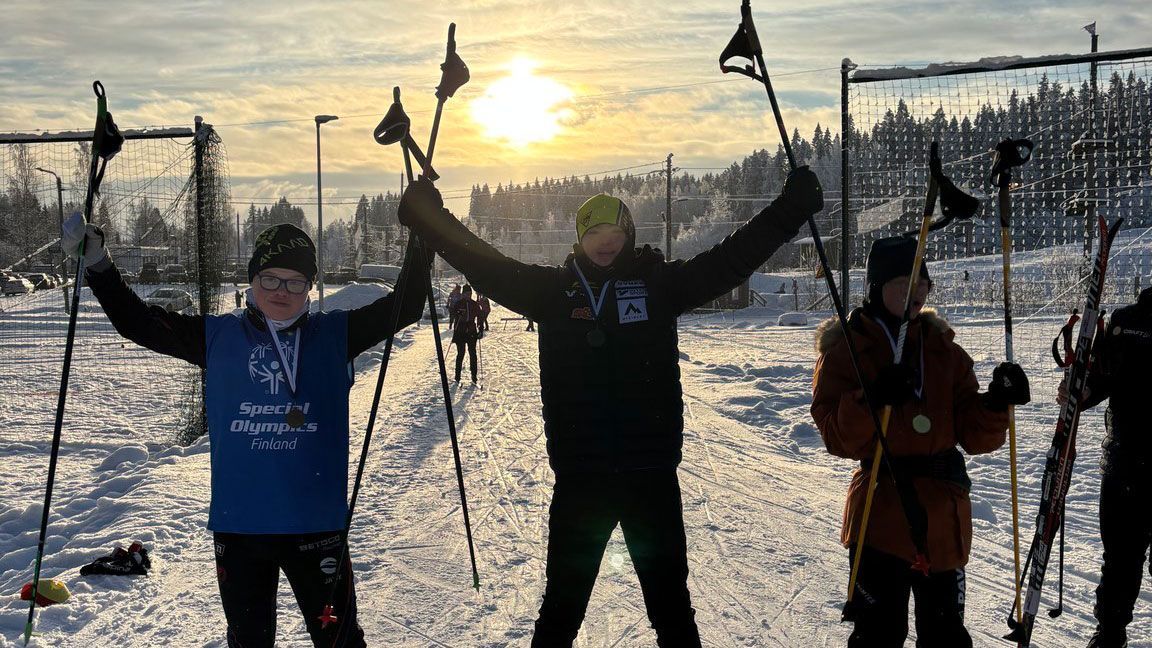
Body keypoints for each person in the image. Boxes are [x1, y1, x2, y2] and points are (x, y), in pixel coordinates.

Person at [398, 166, 825, 647]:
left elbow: (730, 261)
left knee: (671, 612)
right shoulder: (553, 292)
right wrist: (430, 219)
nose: (605, 241)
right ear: (580, 238)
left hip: (651, 479)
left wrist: (789, 211)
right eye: (594, 232)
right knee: (560, 611)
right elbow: (486, 264)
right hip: (582, 481)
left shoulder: (660, 285)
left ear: (629, 233)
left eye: (615, 231)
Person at [61, 218, 429, 648]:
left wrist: (423, 234)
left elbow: (405, 307)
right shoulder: (217, 336)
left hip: (316, 527)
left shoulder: (336, 334)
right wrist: (100, 264)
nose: (281, 291)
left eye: (295, 282)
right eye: (270, 278)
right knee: (249, 642)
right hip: (241, 531)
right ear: (252, 280)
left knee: (340, 641)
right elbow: (137, 323)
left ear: (310, 287)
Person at [811, 236, 1031, 648]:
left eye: (922, 287)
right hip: (880, 516)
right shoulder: (848, 350)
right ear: (877, 288)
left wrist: (998, 402)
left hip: (943, 523)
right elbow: (834, 435)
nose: (915, 296)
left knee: (946, 637)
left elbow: (972, 432)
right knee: (878, 636)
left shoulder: (942, 349)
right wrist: (872, 397)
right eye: (902, 285)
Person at [1063, 286, 1152, 648]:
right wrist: (1079, 390)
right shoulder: (1127, 321)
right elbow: (1099, 380)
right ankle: (1110, 634)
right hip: (1126, 462)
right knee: (1120, 558)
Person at [451, 284, 483, 384]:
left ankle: (474, 376)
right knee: (461, 353)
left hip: (471, 331)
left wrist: (480, 328)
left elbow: (480, 316)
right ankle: (457, 376)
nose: (468, 296)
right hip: (460, 331)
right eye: (466, 294)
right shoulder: (459, 303)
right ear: (463, 294)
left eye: (469, 294)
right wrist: (458, 313)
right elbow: (452, 313)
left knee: (472, 353)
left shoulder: (474, 304)